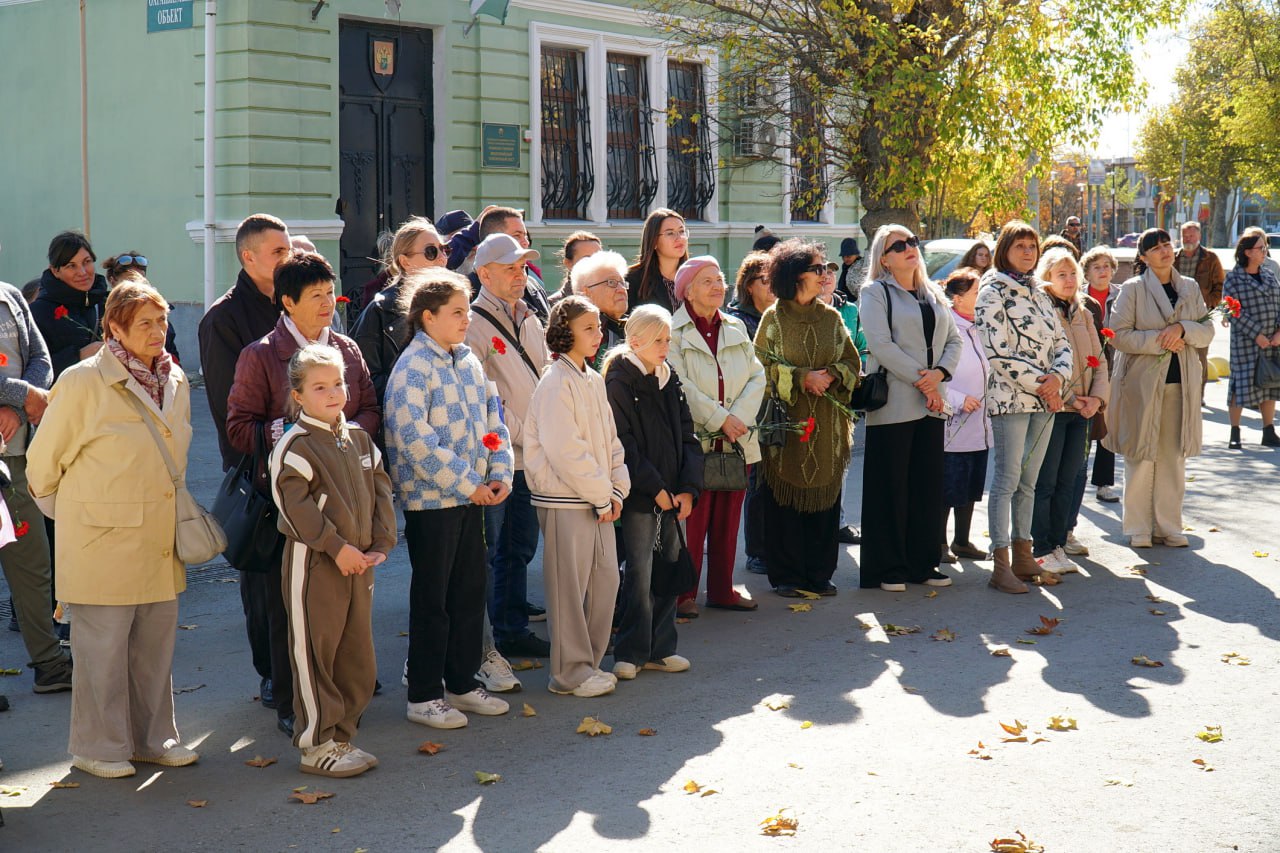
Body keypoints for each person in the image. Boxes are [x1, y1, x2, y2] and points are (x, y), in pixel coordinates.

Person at [27, 279, 199, 779]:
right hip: (100, 540)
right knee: (101, 653)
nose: (157, 331)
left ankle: (154, 739)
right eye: (144, 323)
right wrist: (82, 516)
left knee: (153, 651)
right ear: (115, 328)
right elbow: (43, 465)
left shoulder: (176, 380)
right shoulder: (82, 381)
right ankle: (97, 747)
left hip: (157, 537)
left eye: (161, 320)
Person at [225, 250, 380, 738]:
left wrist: (346, 434)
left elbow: (371, 409)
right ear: (286, 302)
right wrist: (296, 434)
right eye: (315, 297)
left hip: (347, 498)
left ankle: (340, 694)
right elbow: (236, 426)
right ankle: (291, 695)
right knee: (285, 606)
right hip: (288, 505)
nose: (327, 305)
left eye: (330, 294)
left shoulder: (347, 349)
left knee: (341, 610)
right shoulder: (260, 354)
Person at [385, 270, 514, 728]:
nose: (466, 320)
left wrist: (499, 473)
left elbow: (493, 420)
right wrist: (468, 483)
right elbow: (414, 439)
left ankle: (461, 685)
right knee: (433, 600)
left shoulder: (469, 361)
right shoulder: (412, 367)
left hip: (470, 500)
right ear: (428, 317)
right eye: (457, 312)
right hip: (432, 504)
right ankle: (423, 695)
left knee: (468, 594)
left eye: (466, 311)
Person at [270, 344, 396, 778]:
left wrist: (382, 541)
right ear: (298, 395)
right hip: (318, 564)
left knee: (356, 653)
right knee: (315, 653)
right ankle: (316, 743)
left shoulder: (359, 437)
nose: (332, 393)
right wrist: (336, 546)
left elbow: (380, 488)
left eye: (338, 383)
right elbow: (296, 508)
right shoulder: (296, 445)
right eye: (319, 386)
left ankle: (342, 736)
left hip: (359, 564)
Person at [197, 213, 290, 714]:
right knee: (265, 579)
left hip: (311, 463)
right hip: (259, 469)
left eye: (289, 248)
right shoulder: (224, 318)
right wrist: (256, 470)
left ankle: (310, 667)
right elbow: (226, 407)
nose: (287, 257)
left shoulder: (299, 301)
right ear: (248, 257)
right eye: (277, 251)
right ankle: (272, 674)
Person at [523, 296, 630, 698]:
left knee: (605, 582)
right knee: (568, 589)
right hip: (565, 500)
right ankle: (568, 673)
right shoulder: (555, 382)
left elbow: (611, 442)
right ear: (565, 331)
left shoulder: (593, 378)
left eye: (599, 327)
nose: (598, 334)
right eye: (588, 328)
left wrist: (617, 488)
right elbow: (565, 449)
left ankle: (590, 664)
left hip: (600, 498)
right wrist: (603, 495)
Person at [859, 226, 962, 591]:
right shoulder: (875, 292)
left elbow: (954, 340)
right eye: (897, 246)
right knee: (892, 487)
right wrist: (926, 381)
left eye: (912, 242)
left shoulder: (932, 292)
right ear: (883, 258)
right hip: (896, 403)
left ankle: (923, 563)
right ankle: (889, 567)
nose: (908, 249)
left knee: (926, 486)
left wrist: (939, 377)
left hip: (932, 402)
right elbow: (881, 346)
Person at [466, 233, 553, 664]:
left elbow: (546, 375)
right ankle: (488, 640)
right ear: (484, 273)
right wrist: (527, 434)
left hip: (531, 455)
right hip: (497, 459)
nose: (520, 276)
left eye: (522, 268)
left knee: (520, 547)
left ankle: (512, 629)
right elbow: (483, 398)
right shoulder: (472, 322)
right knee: (491, 550)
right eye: (510, 269)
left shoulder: (531, 317)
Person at [755, 240, 860, 596]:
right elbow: (760, 367)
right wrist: (802, 378)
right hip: (787, 428)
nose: (826, 275)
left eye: (827, 268)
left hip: (828, 427)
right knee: (785, 502)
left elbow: (852, 362)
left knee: (825, 502)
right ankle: (787, 575)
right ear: (795, 275)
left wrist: (831, 374)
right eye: (818, 269)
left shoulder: (831, 317)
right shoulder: (774, 318)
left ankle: (819, 572)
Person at [603, 305, 702, 679]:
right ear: (635, 340)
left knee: (669, 567)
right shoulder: (620, 380)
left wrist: (688, 489)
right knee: (640, 572)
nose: (665, 347)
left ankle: (662, 648)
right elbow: (624, 444)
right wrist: (656, 488)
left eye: (668, 340)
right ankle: (630, 650)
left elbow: (689, 435)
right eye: (658, 340)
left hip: (674, 495)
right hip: (641, 496)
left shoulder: (668, 377)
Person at [974, 221, 1073, 594]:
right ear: (1004, 250)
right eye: (1020, 246)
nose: (1028, 252)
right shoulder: (992, 289)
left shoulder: (1039, 291)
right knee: (1008, 480)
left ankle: (1024, 554)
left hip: (1046, 398)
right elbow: (998, 350)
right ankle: (1000, 563)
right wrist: (1042, 384)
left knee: (1029, 481)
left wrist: (1058, 379)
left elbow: (1061, 342)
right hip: (1011, 398)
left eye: (1033, 246)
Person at [1104, 228, 1214, 548]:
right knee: (1140, 455)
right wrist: (1160, 340)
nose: (1165, 251)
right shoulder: (1133, 290)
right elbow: (1118, 334)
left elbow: (1206, 332)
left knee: (1172, 457)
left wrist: (1183, 329)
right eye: (1156, 248)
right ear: (1143, 257)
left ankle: (1169, 525)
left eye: (1168, 245)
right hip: (1141, 384)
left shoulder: (1190, 287)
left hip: (1182, 384)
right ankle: (1139, 527)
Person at [668, 256, 766, 615]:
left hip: (737, 440)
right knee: (694, 522)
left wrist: (737, 418)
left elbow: (757, 376)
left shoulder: (736, 326)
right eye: (707, 280)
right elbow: (680, 385)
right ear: (687, 291)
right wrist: (720, 418)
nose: (717, 286)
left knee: (728, 522)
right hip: (697, 442)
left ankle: (723, 590)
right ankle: (684, 595)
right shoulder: (674, 331)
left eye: (719, 278)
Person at [0, 243, 69, 695]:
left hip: (18, 458)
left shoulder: (9, 295)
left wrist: (19, 408)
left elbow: (41, 358)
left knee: (33, 566)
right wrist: (12, 395)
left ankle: (49, 664)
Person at [1030, 248, 1109, 574]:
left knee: (1069, 480)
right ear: (1047, 277)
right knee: (1045, 481)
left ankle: (1059, 542)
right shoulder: (1038, 310)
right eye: (1061, 274)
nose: (1068, 279)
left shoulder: (1083, 312)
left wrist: (1097, 400)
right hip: (1054, 408)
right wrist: (1073, 398)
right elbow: (1038, 364)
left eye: (1072, 273)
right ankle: (1041, 547)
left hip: (1082, 411)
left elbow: (1100, 361)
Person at [351, 217, 449, 406]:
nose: (442, 258)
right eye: (431, 252)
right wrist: (417, 389)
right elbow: (366, 380)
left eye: (445, 249)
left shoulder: (454, 305)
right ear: (405, 262)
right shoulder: (381, 309)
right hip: (402, 415)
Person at [727, 251, 776, 573]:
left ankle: (776, 545)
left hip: (777, 409)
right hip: (749, 410)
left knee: (775, 482)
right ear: (748, 284)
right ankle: (756, 551)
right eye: (764, 280)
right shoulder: (738, 320)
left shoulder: (780, 315)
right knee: (756, 483)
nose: (771, 286)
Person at [939, 267, 991, 563]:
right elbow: (935, 376)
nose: (981, 296)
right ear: (958, 298)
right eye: (975, 292)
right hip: (954, 420)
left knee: (971, 486)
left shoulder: (981, 325)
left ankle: (962, 541)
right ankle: (939, 544)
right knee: (949, 487)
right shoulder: (947, 328)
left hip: (980, 423)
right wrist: (958, 400)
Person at [1223, 231, 1280, 448]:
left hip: (1272, 341)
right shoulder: (1233, 278)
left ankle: (1268, 431)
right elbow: (1231, 309)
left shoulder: (1269, 275)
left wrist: (1278, 332)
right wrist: (1256, 334)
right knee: (1240, 385)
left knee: (1269, 384)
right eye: (1261, 248)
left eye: (1265, 247)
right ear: (1247, 252)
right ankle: (1235, 432)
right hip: (1246, 342)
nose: (1265, 251)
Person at [1076, 246, 1122, 504]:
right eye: (1097, 267)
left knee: (1107, 426)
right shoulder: (1078, 297)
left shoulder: (1123, 295)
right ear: (1087, 272)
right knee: (1084, 423)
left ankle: (1104, 483)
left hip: (1113, 368)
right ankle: (1076, 478)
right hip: (1084, 369)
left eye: (1106, 266)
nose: (1103, 271)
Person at [32, 231, 108, 379]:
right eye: (71, 266)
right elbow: (33, 371)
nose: (82, 272)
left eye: (87, 262)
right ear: (55, 271)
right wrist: (78, 356)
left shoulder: (111, 303)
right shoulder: (38, 313)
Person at [463, 208, 551, 323]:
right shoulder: (466, 293)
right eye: (517, 236)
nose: (526, 242)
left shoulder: (533, 285)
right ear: (493, 239)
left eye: (525, 235)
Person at [1174, 221, 1225, 394]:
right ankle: (1181, 391)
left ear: (1199, 236)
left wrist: (1210, 304)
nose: (1187, 239)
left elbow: (1220, 285)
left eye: (1191, 235)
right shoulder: (1174, 257)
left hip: (1201, 316)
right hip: (1176, 315)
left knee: (1200, 356)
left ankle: (1199, 393)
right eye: (1184, 236)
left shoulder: (1210, 258)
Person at [101, 252, 181, 362]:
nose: (136, 288)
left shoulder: (158, 311)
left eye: (140, 280)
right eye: (129, 282)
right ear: (112, 281)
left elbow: (171, 353)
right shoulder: (101, 314)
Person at [571, 250, 630, 371]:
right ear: (586, 292)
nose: (621, 289)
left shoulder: (632, 326)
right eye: (611, 282)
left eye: (622, 283)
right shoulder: (583, 335)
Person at [627, 208, 689, 314]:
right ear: (654, 241)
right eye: (670, 233)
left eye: (681, 231)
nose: (679, 238)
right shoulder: (633, 279)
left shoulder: (695, 277)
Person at [727, 251, 774, 341]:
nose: (772, 285)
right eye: (765, 280)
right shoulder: (737, 323)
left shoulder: (783, 317)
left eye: (775, 278)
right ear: (748, 286)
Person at [550, 231, 602, 304]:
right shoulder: (555, 304)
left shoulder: (613, 300)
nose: (594, 264)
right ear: (568, 263)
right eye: (586, 259)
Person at [835, 237, 866, 304]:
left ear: (856, 254)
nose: (845, 259)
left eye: (848, 256)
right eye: (843, 256)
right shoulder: (845, 267)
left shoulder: (861, 266)